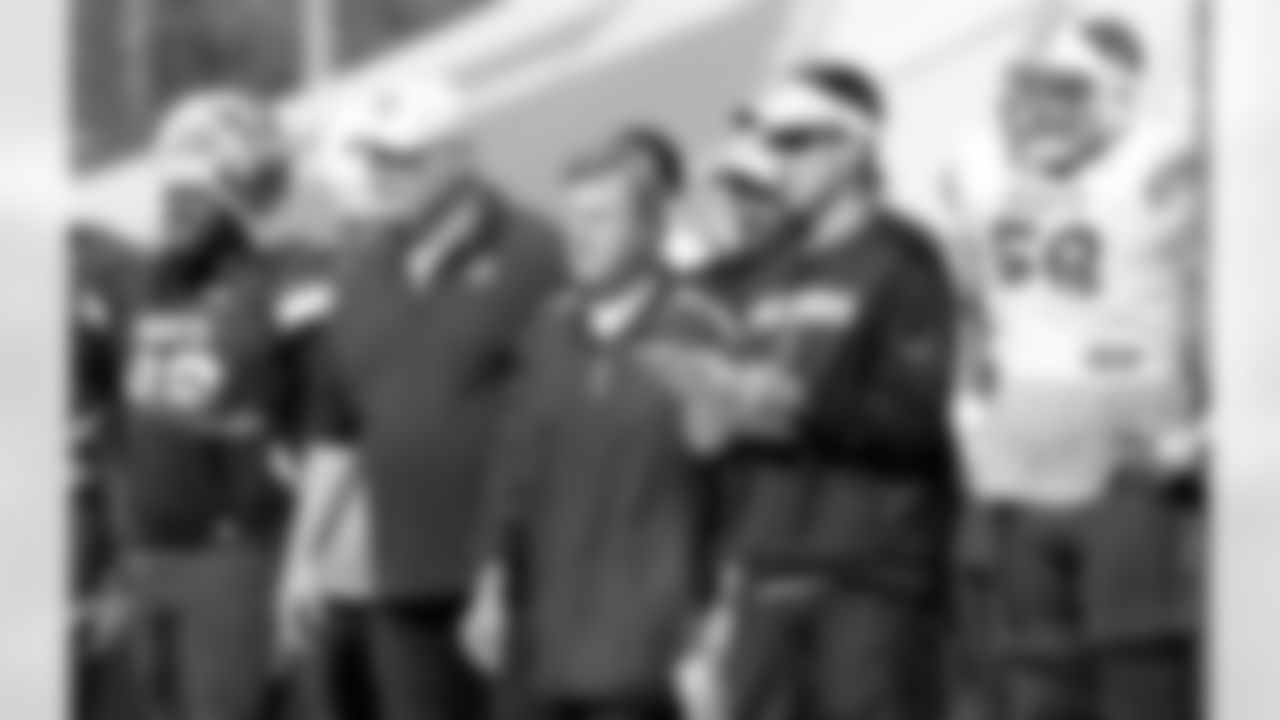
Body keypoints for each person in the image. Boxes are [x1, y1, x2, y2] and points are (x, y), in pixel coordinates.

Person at [661, 62, 961, 720]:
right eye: (772, 142)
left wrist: (802, 407)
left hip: (871, 573)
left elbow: (918, 419)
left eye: (796, 141)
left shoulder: (904, 257)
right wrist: (719, 415)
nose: (779, 160)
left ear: (853, 146)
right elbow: (743, 395)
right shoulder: (770, 267)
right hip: (769, 561)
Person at [941, 12, 1205, 720]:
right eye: (1031, 87)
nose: (1040, 109)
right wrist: (968, 416)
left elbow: (1236, 301)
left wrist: (1200, 435)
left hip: (1129, 462)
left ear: (1117, 96)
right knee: (1036, 678)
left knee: (1138, 677)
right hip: (1021, 466)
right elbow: (969, 308)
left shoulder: (1160, 161)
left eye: (1065, 90)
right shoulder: (979, 164)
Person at [277, 76, 564, 720]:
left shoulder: (536, 254)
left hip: (520, 583)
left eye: (401, 158)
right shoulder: (364, 272)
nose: (380, 173)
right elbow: (336, 429)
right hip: (403, 586)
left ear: (460, 158)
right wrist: (303, 559)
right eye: (372, 157)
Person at [460, 127, 715, 720]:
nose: (579, 235)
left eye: (600, 218)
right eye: (572, 218)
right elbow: (513, 473)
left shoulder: (699, 330)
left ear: (651, 227)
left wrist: (714, 625)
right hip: (545, 651)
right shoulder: (545, 332)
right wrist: (489, 583)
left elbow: (733, 491)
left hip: (648, 656)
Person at [103, 87, 319, 720]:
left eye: (196, 193)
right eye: (171, 191)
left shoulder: (283, 283)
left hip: (231, 553)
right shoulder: (144, 284)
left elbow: (327, 427)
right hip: (146, 554)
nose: (176, 208)